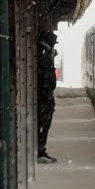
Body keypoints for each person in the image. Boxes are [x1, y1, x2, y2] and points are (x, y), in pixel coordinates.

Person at [37, 30, 58, 164]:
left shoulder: (44, 53)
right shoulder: (44, 55)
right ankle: (39, 150)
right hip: (44, 98)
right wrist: (47, 94)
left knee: (43, 124)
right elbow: (47, 77)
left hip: (43, 97)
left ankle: (39, 149)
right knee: (43, 124)